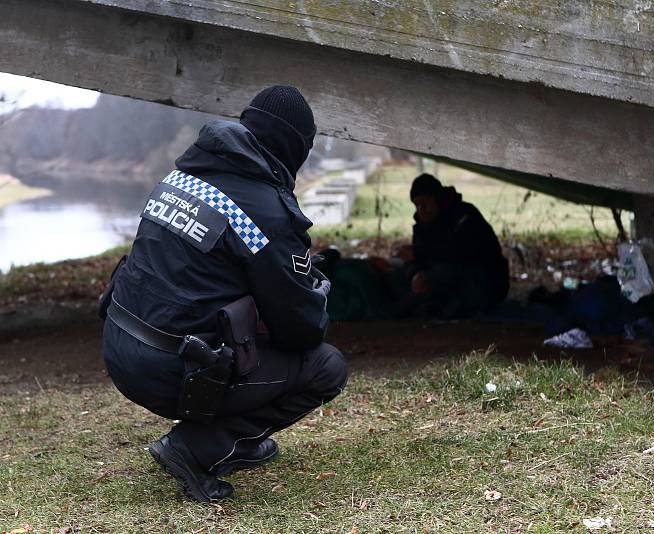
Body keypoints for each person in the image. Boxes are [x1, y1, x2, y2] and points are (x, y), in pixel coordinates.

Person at [100, 86, 347, 502]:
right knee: (326, 368)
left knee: (247, 328)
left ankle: (239, 444)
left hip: (119, 347)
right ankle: (196, 447)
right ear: (293, 147)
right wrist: (314, 292)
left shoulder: (182, 175)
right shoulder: (265, 212)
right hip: (169, 369)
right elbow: (302, 330)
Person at [401, 173, 509, 319]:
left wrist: (420, 255)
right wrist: (416, 274)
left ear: (437, 198)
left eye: (425, 202)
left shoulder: (464, 215)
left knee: (445, 278)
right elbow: (420, 261)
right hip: (446, 284)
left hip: (483, 282)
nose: (421, 209)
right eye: (417, 205)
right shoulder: (423, 225)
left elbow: (462, 253)